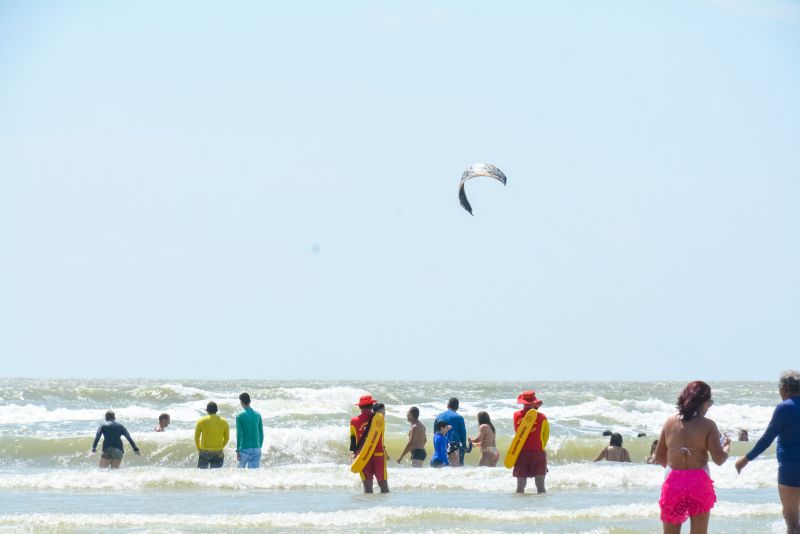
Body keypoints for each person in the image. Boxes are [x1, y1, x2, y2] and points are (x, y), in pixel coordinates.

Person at [655, 381, 730, 534]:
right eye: (710, 402)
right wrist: (727, 446)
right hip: (699, 482)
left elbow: (659, 456)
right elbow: (719, 459)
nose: (709, 406)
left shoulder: (669, 422)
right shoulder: (708, 425)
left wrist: (676, 472)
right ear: (703, 402)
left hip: (673, 482)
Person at [736, 370, 800, 534]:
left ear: (784, 388)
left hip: (791, 470)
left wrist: (746, 458)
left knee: (791, 520)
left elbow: (767, 438)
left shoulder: (784, 408)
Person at [349, 394, 388, 493]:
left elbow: (353, 438)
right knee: (383, 484)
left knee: (367, 485)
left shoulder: (353, 421)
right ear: (371, 406)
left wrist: (353, 453)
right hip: (378, 453)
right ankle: (384, 506)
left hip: (363, 456)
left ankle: (368, 507)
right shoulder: (379, 418)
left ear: (359, 406)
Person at [513, 390, 549, 493]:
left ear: (523, 402)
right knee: (540, 486)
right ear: (534, 401)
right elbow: (545, 436)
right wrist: (541, 447)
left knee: (520, 486)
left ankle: (519, 508)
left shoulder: (516, 415)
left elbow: (519, 431)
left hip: (522, 452)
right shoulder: (542, 417)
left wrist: (534, 408)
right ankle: (542, 508)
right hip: (538, 452)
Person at [194, 401, 229, 469]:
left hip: (204, 451)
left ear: (207, 410)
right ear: (217, 410)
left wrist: (199, 449)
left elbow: (196, 438)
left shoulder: (201, 421)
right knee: (216, 475)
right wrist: (221, 446)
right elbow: (227, 438)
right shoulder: (224, 422)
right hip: (218, 451)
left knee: (202, 474)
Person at [436, 397, 467, 467]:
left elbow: (436, 433)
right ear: (457, 407)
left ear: (448, 405)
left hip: (442, 444)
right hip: (454, 445)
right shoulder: (459, 417)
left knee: (444, 467)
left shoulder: (439, 416)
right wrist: (464, 447)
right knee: (456, 468)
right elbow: (463, 434)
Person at [235, 392, 264, 468]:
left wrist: (238, 450)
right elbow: (261, 433)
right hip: (257, 448)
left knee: (239, 472)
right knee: (253, 474)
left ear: (241, 402)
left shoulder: (239, 416)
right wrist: (259, 446)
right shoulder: (258, 415)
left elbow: (239, 435)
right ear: (250, 401)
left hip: (245, 449)